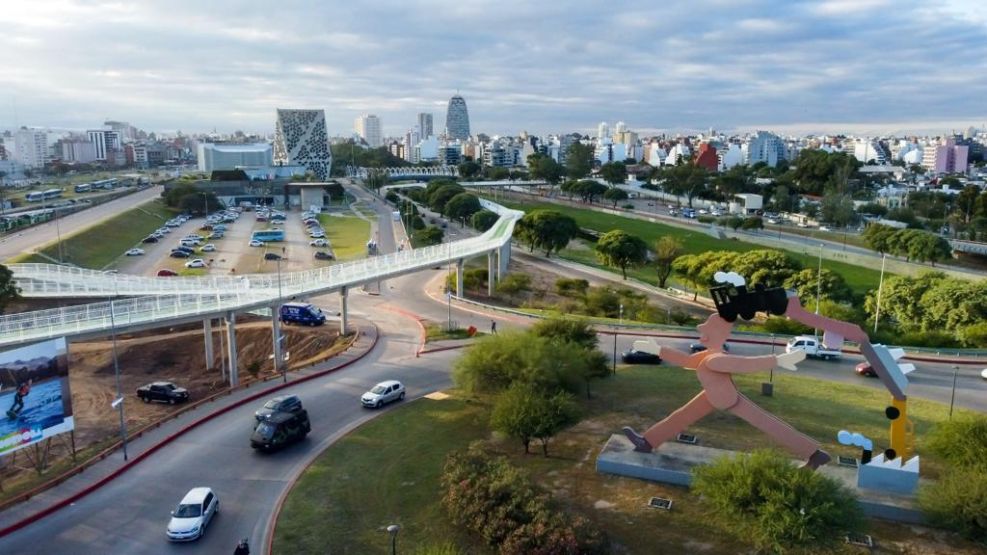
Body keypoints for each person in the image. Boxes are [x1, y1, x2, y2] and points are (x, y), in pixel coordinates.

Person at [621, 314, 830, 470]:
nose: (701, 334)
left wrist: (777, 360)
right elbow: (686, 360)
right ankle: (647, 442)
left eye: (705, 331)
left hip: (725, 399)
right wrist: (658, 350)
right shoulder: (711, 354)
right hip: (713, 396)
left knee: (769, 424)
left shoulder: (717, 359)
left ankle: (814, 454)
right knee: (679, 417)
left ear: (714, 335)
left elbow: (745, 364)